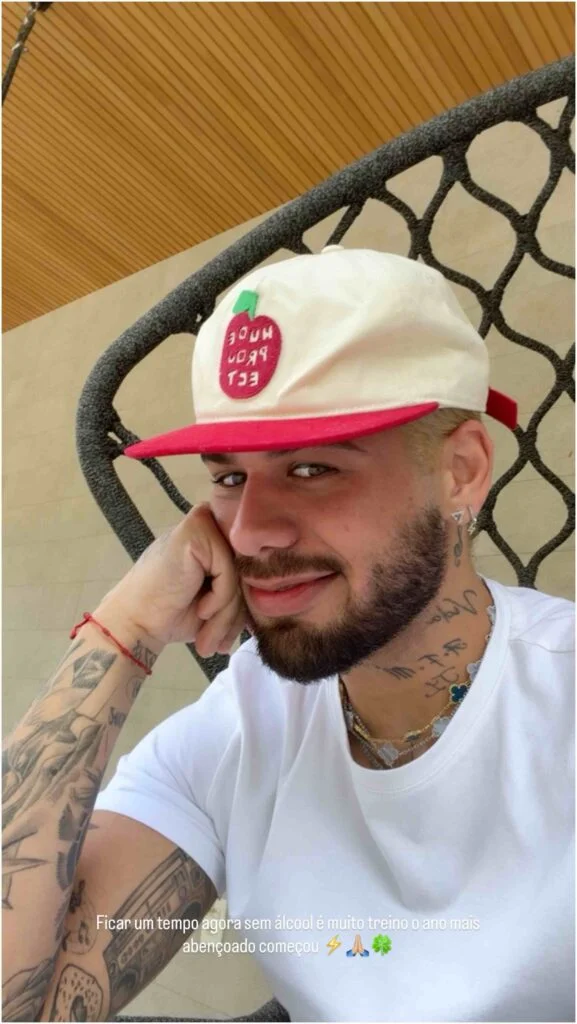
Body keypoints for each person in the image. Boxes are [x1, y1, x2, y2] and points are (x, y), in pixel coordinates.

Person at [3, 248, 574, 1023]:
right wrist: (123, 628)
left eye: (310, 469)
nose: (248, 533)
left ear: (460, 471)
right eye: (229, 477)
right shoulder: (244, 718)